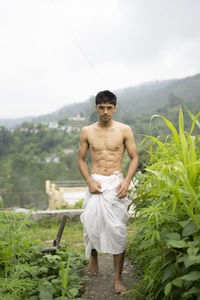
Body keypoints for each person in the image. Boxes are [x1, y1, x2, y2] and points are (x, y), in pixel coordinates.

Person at [78, 90, 138, 294]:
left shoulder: (124, 130)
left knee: (118, 231)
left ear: (115, 108)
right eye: (101, 107)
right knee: (90, 223)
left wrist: (127, 181)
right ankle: (93, 253)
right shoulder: (87, 131)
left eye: (109, 108)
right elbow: (81, 159)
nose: (105, 112)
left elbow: (134, 158)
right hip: (96, 182)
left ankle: (118, 278)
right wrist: (89, 181)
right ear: (96, 108)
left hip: (115, 182)